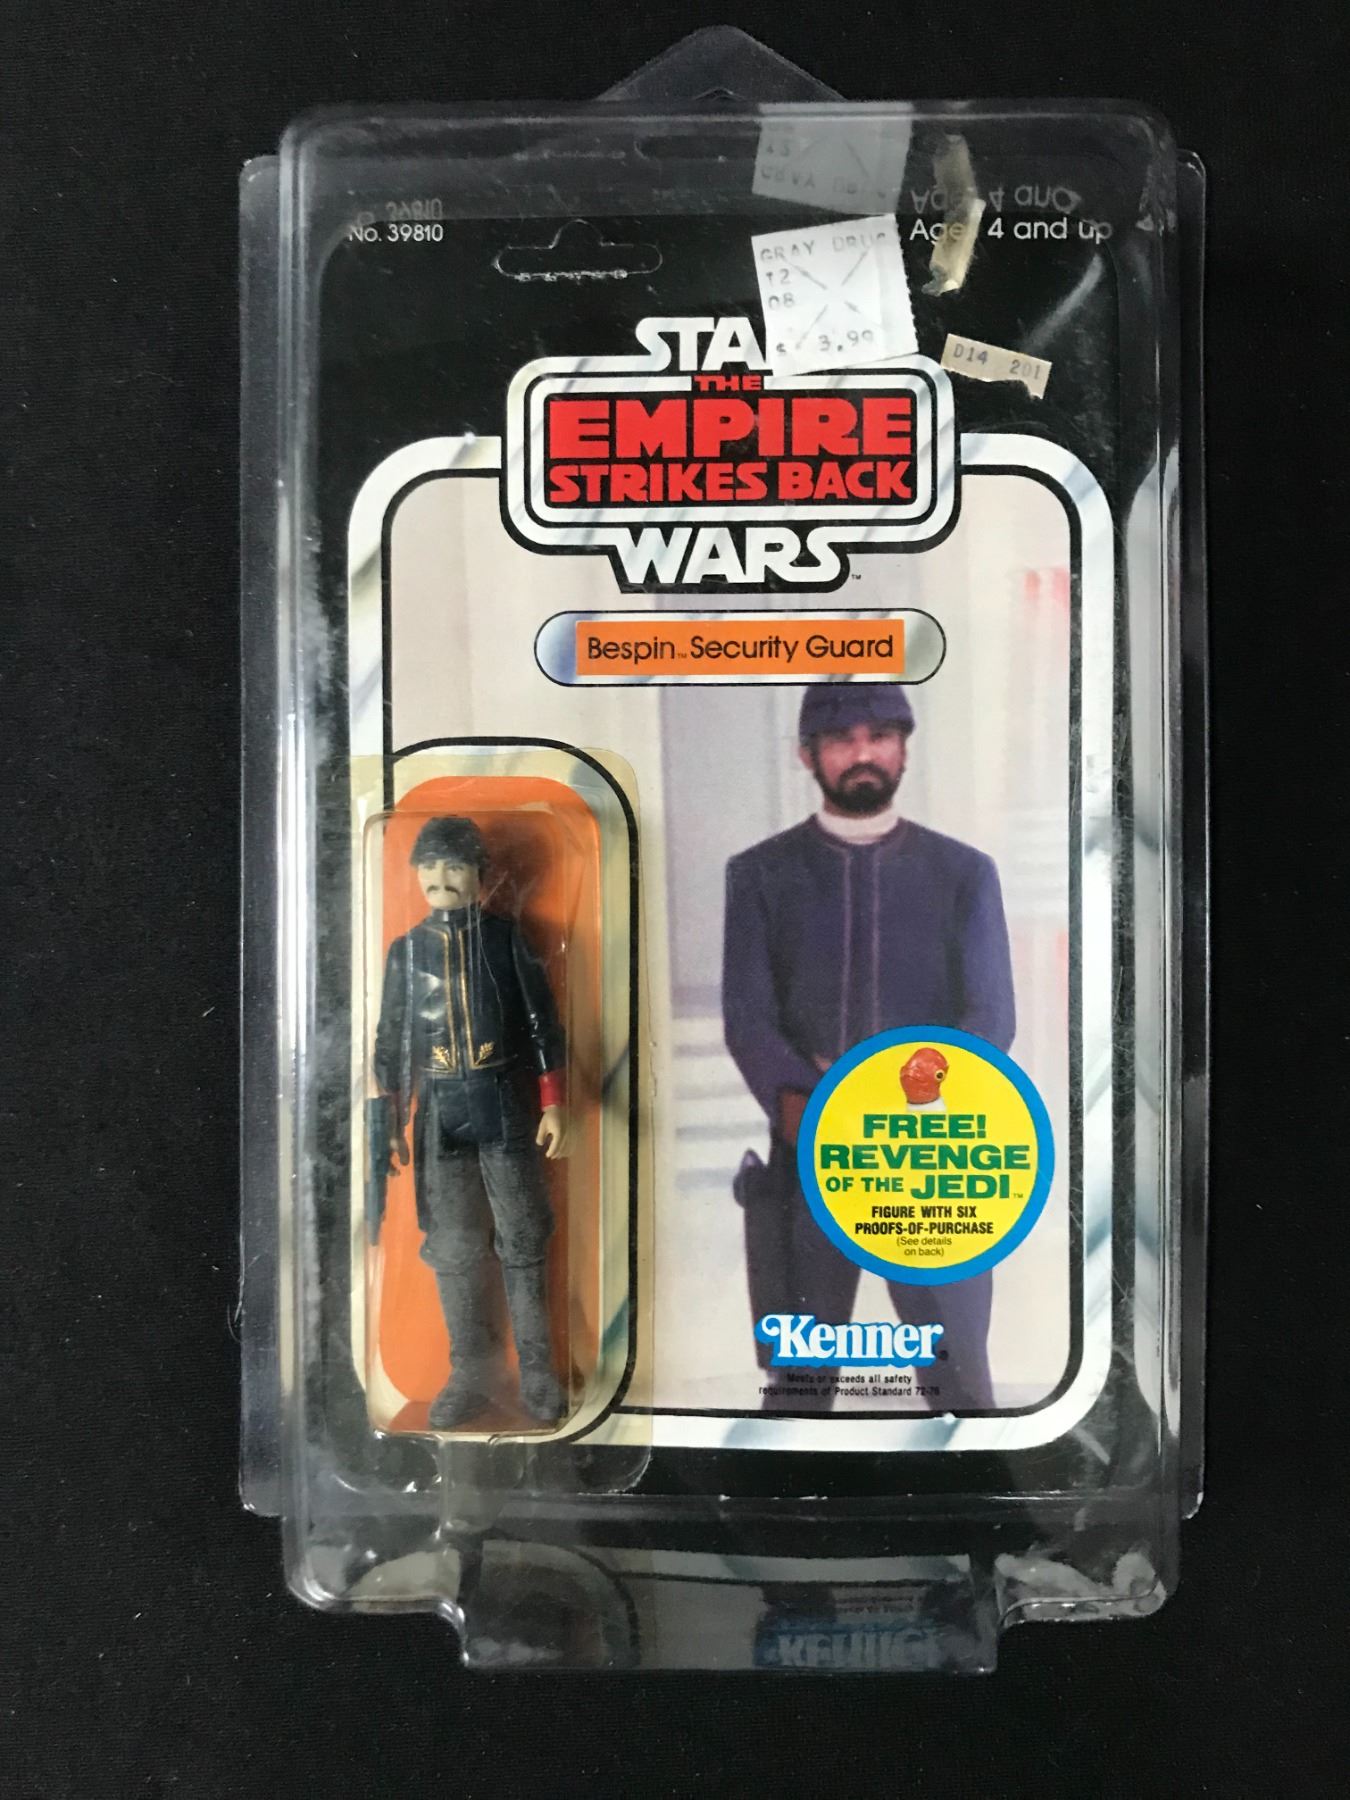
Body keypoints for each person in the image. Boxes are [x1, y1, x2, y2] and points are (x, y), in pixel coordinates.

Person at [722, 684, 1015, 1412]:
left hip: (929, 1160)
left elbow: (990, 1015)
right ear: (807, 755)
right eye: (841, 739)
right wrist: (815, 1110)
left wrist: (915, 1104)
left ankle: (979, 1485)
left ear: (903, 751)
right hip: (808, 1151)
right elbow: (749, 1019)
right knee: (798, 1387)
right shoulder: (760, 875)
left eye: (880, 736)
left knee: (960, 1384)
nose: (863, 753)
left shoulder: (964, 874)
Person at [373, 816, 569, 1428]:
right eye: (430, 866)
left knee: (523, 1235)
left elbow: (542, 1023)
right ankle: (471, 1372)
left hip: (502, 1103)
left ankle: (537, 1369)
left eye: (455, 865)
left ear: (480, 874)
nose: (441, 878)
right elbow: (390, 1039)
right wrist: (388, 1116)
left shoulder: (507, 939)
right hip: (439, 1114)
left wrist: (553, 1101)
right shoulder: (406, 952)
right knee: (454, 1245)